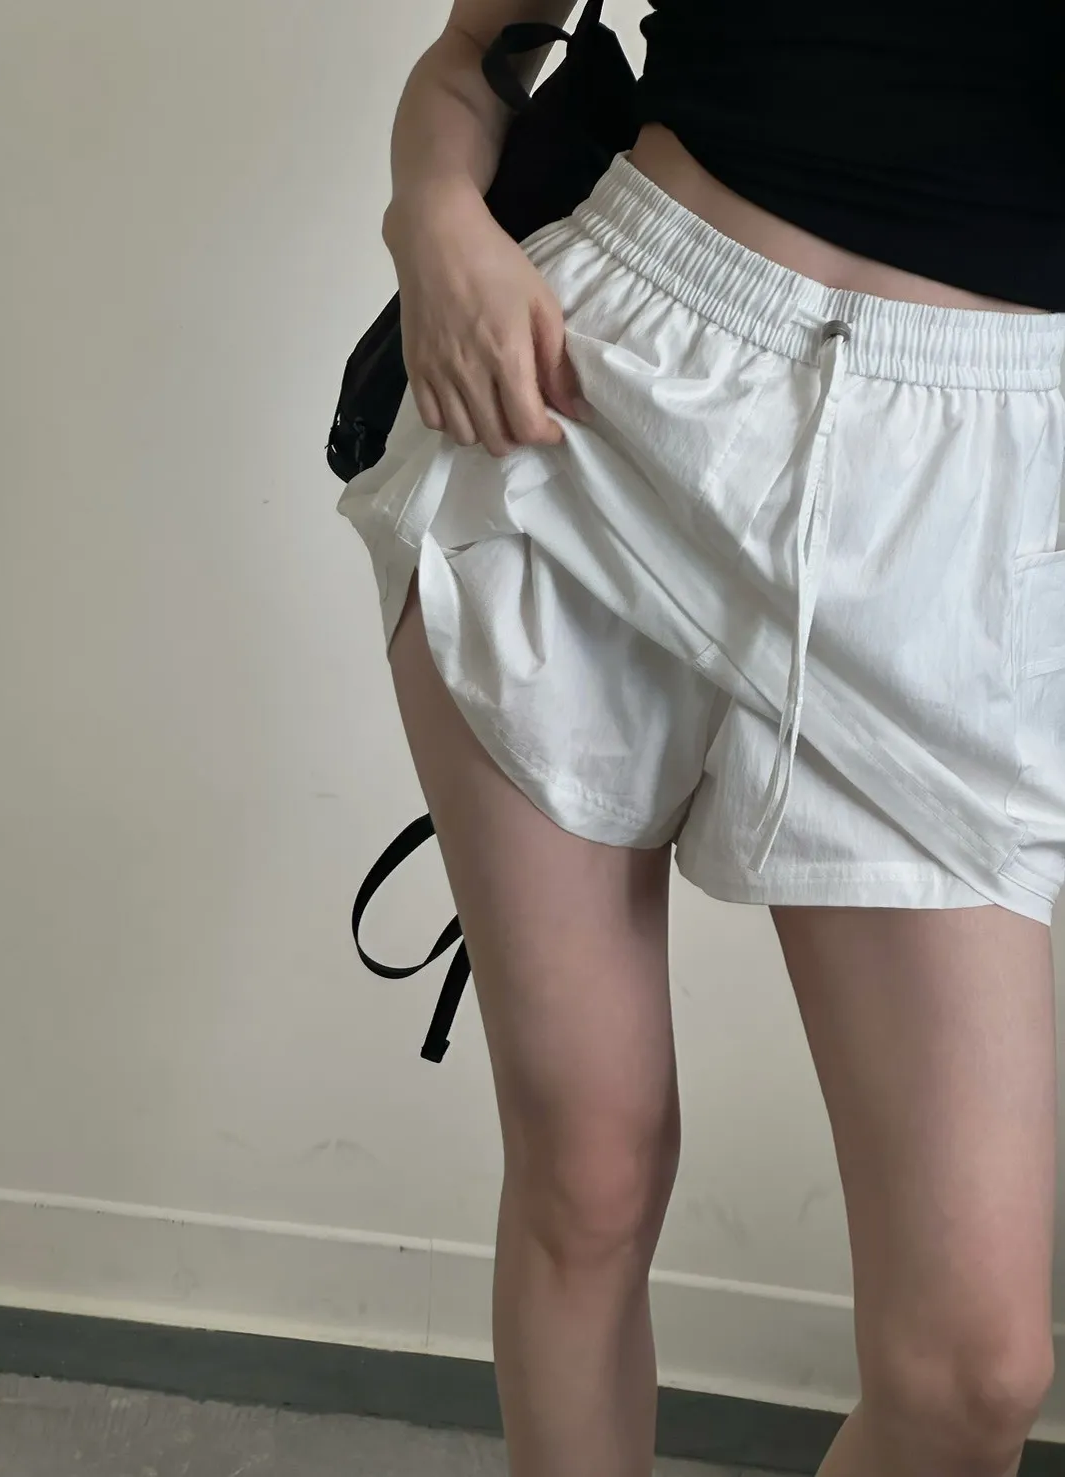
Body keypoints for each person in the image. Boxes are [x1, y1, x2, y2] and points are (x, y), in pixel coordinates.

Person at [338, 3, 1065, 1474]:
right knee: (589, 1169)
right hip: (594, 393)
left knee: (973, 1371)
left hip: (960, 505)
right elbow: (473, 62)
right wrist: (436, 225)